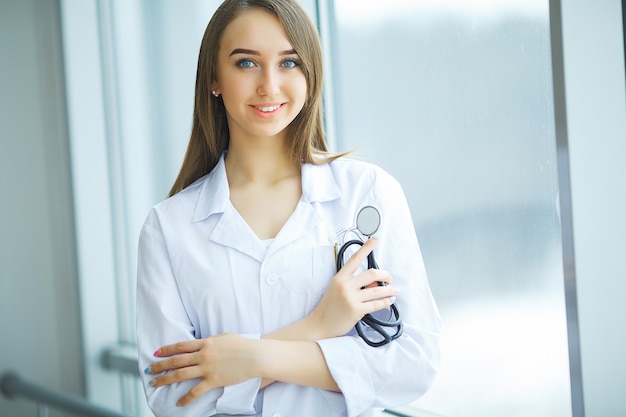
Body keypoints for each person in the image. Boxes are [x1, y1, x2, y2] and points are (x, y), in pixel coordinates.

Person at [136, 0, 441, 416]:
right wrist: (318, 328)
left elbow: (414, 365)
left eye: (289, 63)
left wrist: (255, 358)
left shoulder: (368, 193)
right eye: (246, 63)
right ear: (214, 77)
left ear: (310, 73)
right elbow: (174, 401)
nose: (269, 86)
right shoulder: (168, 228)